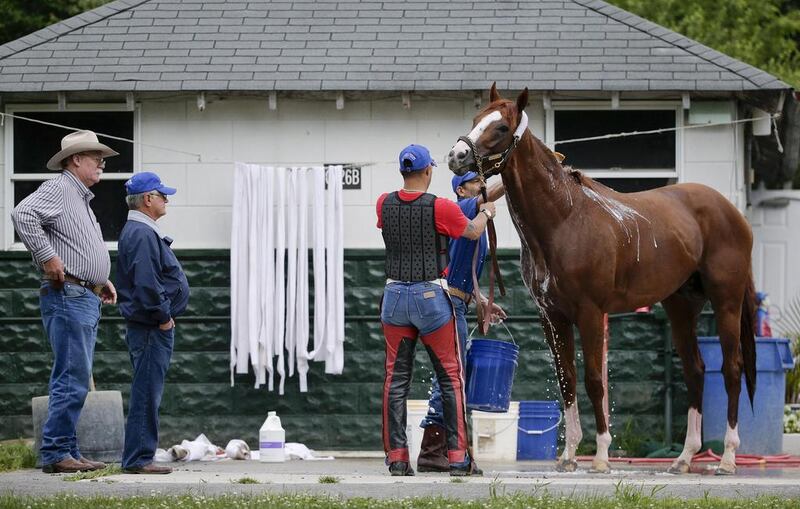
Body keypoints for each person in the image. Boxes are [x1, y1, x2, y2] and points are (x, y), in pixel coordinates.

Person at [376, 144, 497, 477]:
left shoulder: (382, 203)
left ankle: (398, 459)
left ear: (403, 171)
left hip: (393, 297)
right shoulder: (440, 207)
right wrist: (486, 214)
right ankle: (458, 459)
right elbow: (472, 231)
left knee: (395, 381)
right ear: (429, 171)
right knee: (451, 379)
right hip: (431, 298)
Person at [11, 130, 119, 473]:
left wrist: (99, 279)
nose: (101, 163)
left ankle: (68, 450)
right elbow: (22, 215)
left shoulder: (78, 197)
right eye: (95, 157)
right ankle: (57, 453)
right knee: (72, 377)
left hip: (83, 293)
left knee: (72, 377)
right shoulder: (59, 188)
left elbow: (76, 245)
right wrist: (47, 257)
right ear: (75, 160)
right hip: (68, 295)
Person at [416, 171, 507, 472]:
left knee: (449, 376)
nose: (481, 184)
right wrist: (516, 168)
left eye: (483, 180)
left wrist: (480, 301)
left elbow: (456, 269)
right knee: (451, 377)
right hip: (449, 303)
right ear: (461, 189)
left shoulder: (461, 217)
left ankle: (436, 449)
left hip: (454, 300)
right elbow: (489, 195)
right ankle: (437, 451)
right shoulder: (463, 208)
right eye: (476, 182)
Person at [116, 172, 189, 475]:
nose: (166, 200)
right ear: (148, 199)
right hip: (151, 328)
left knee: (148, 390)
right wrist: (163, 318)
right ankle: (138, 459)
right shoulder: (142, 233)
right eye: (162, 195)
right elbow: (147, 283)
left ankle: (140, 456)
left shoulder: (140, 231)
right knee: (147, 392)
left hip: (150, 326)